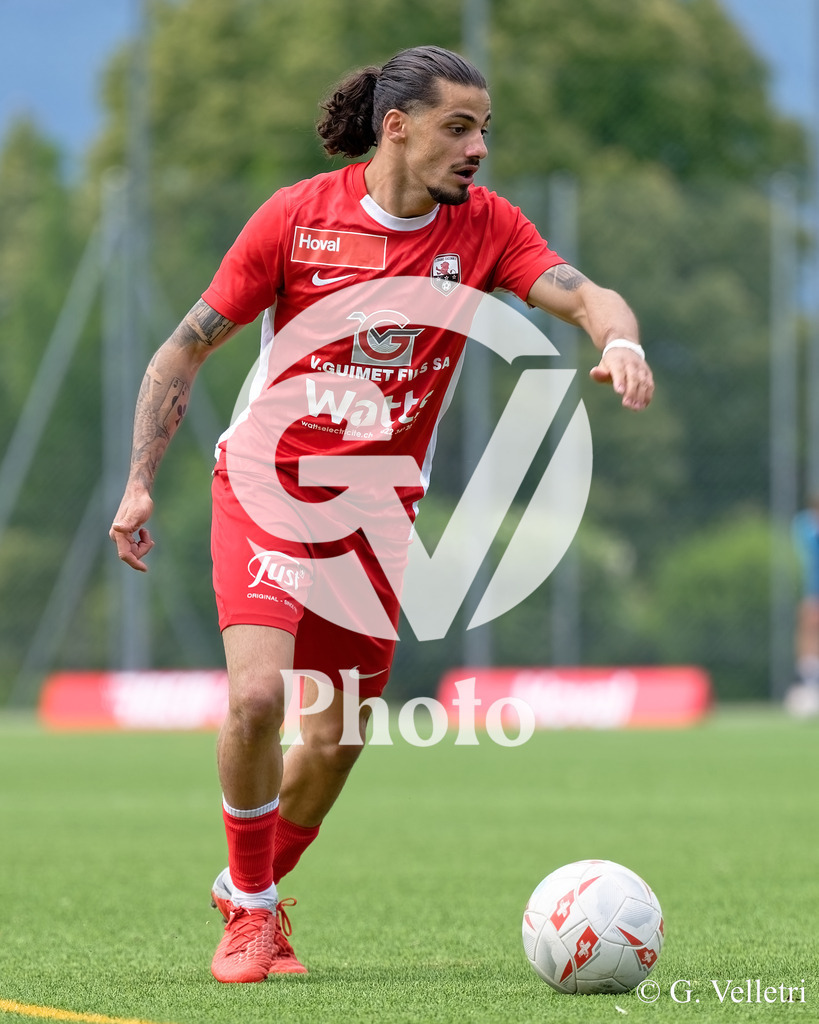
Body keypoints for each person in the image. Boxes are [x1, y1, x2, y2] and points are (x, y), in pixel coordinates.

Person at [109, 44, 654, 983]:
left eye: (484, 129)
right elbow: (182, 349)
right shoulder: (295, 218)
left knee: (336, 743)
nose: (478, 147)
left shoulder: (486, 227)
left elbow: (586, 295)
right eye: (458, 127)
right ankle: (253, 915)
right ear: (395, 128)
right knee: (257, 698)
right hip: (268, 486)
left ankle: (246, 891)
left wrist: (623, 343)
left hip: (373, 518)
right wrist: (137, 480)